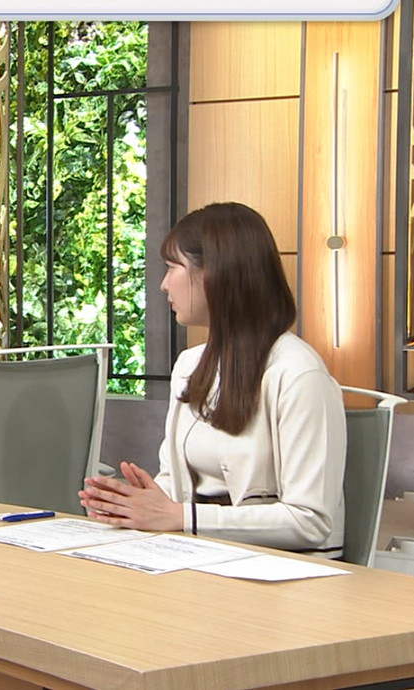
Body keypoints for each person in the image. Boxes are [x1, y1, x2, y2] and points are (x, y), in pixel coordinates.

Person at [78, 202, 346, 555]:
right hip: (201, 555)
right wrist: (135, 506)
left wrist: (180, 517)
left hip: (282, 568)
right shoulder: (190, 365)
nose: (163, 285)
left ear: (215, 274)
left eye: (172, 267)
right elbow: (174, 488)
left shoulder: (298, 374)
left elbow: (310, 521)